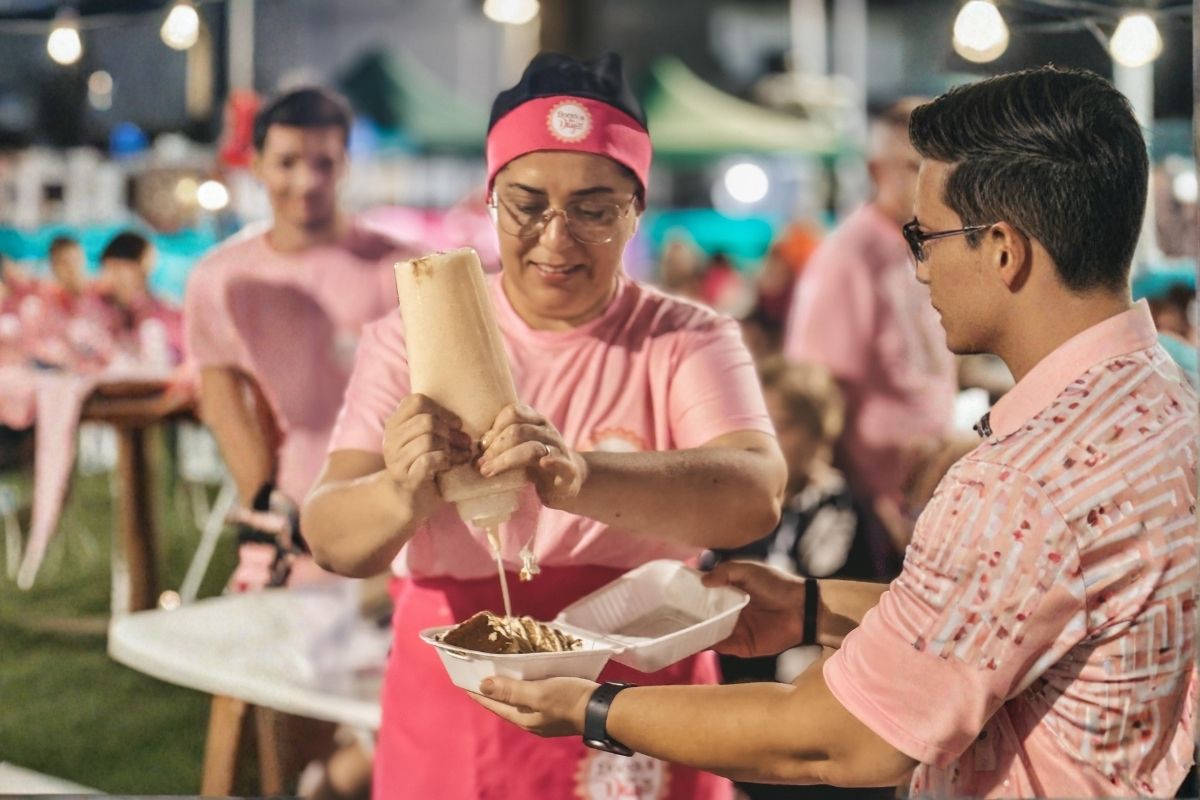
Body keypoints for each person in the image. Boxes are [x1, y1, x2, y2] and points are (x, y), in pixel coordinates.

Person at [472, 67, 1199, 799]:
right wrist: (809, 608)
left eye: (926, 236)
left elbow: (832, 741)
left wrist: (592, 707)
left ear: (1003, 250)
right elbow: (1004, 616)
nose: (920, 270)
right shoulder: (1168, 400)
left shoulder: (1017, 484)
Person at [301, 52, 786, 799]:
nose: (556, 239)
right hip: (461, 694)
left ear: (635, 210)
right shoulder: (411, 339)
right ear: (491, 200)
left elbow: (754, 493)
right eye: (528, 204)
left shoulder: (684, 338)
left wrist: (581, 477)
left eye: (594, 209)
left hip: (638, 700)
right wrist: (403, 492)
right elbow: (332, 534)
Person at [183, 86, 413, 799]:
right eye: (287, 161)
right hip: (288, 529)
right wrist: (261, 495)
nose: (305, 180)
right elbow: (221, 391)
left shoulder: (400, 268)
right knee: (275, 719)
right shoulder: (222, 277)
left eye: (323, 162)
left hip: (392, 530)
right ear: (257, 164)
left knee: (394, 725)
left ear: (345, 165)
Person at [783, 99, 958, 575]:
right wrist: (873, 505)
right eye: (912, 166)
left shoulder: (921, 245)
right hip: (873, 519)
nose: (930, 179)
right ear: (875, 169)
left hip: (926, 502)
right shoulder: (849, 257)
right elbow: (816, 399)